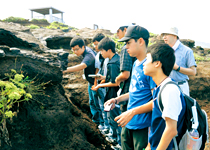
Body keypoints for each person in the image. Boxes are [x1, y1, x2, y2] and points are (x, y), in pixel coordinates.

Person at [115, 43, 186, 150]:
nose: (144, 64)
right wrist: (149, 146)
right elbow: (157, 127)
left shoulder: (170, 90)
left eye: (147, 59)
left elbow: (171, 130)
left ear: (157, 64)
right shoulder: (160, 88)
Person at [104, 25, 156, 150]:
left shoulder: (152, 67)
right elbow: (134, 92)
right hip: (128, 122)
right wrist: (116, 99)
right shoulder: (136, 64)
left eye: (128, 42)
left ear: (141, 41)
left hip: (142, 126)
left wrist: (132, 112)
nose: (125, 46)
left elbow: (157, 101)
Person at [63, 36, 104, 128]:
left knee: (97, 103)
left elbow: (82, 66)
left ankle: (101, 124)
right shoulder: (86, 50)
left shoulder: (89, 54)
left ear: (83, 47)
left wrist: (65, 70)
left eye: (77, 49)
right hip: (92, 81)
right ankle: (96, 122)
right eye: (73, 50)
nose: (75, 52)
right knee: (92, 102)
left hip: (96, 82)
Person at [92, 37, 121, 147]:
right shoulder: (117, 59)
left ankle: (117, 142)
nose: (101, 54)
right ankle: (115, 138)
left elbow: (114, 83)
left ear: (108, 50)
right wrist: (103, 78)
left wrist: (100, 85)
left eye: (102, 51)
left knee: (114, 118)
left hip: (113, 94)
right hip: (115, 93)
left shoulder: (112, 63)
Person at [161, 27, 197, 96]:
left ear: (175, 36)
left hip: (181, 87)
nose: (164, 37)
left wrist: (177, 68)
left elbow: (193, 72)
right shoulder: (163, 50)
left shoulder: (187, 51)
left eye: (166, 34)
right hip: (165, 86)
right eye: (163, 35)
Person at [92, 33, 110, 133]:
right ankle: (104, 125)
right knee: (101, 106)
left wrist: (100, 84)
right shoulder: (98, 55)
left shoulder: (109, 58)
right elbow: (98, 70)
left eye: (97, 44)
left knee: (107, 108)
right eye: (94, 44)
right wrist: (96, 83)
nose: (95, 47)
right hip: (100, 85)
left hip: (106, 86)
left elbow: (110, 76)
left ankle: (109, 129)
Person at [115, 25, 136, 113]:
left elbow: (125, 74)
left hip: (128, 89)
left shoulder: (125, 49)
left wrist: (117, 79)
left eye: (118, 32)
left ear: (125, 30)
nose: (117, 35)